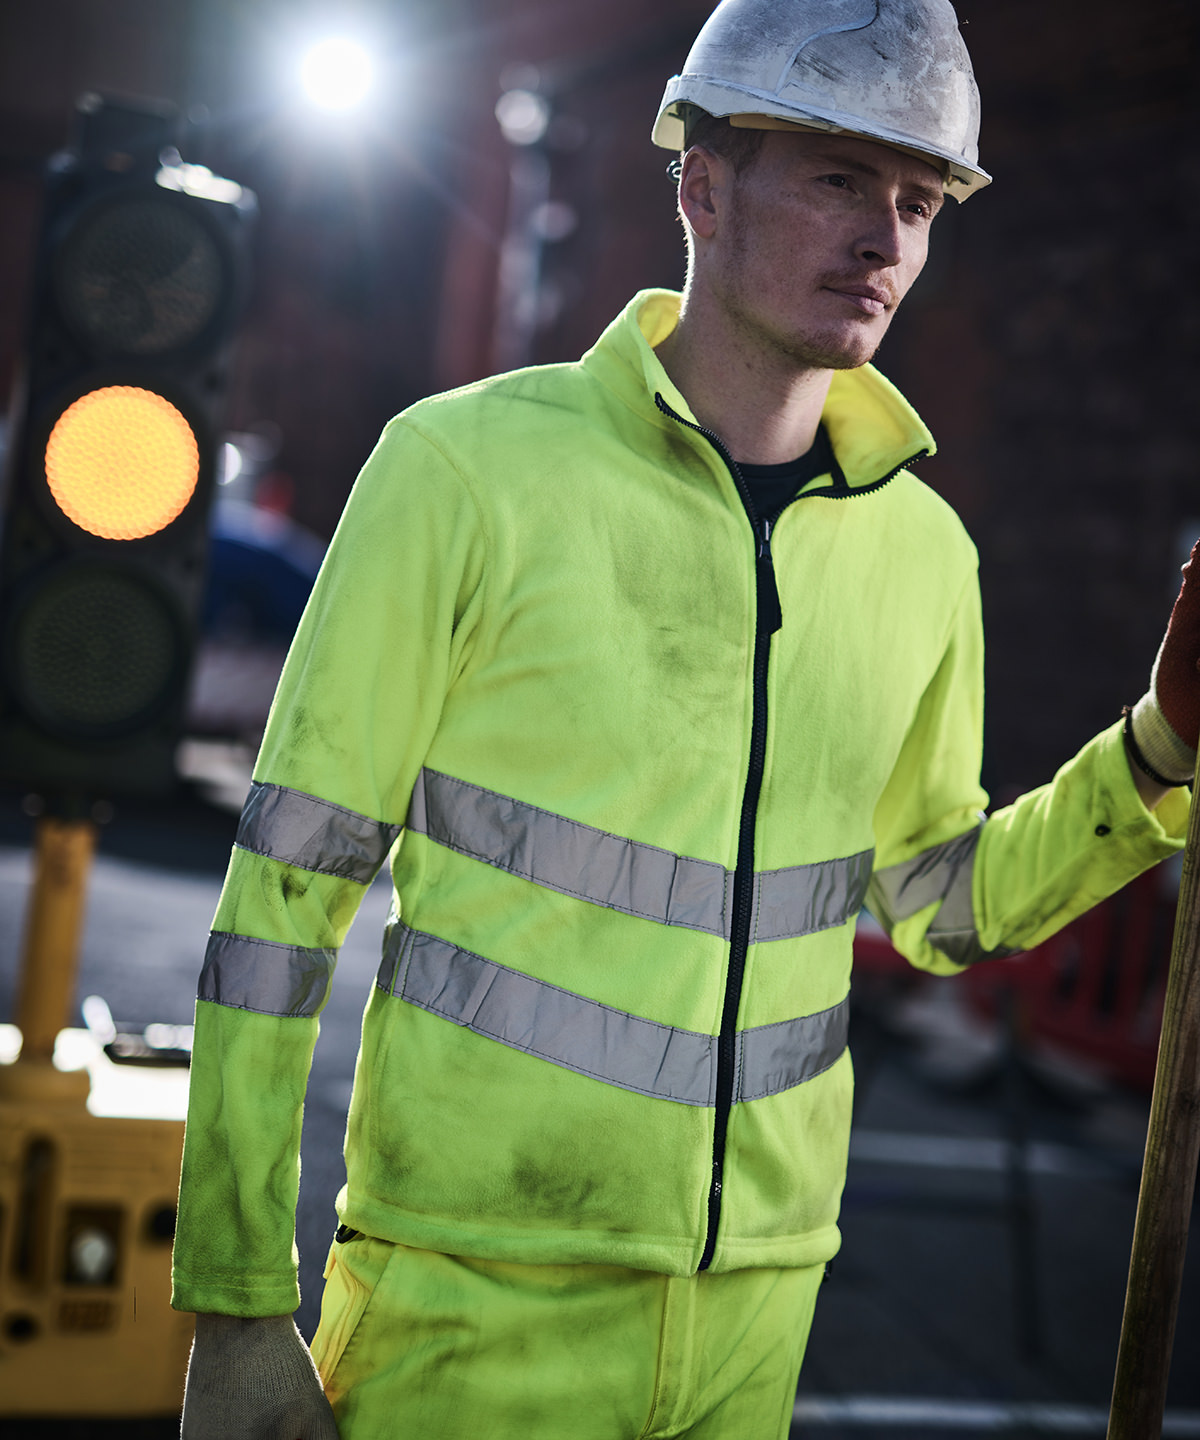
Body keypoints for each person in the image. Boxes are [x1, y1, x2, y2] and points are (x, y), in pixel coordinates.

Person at [173, 1, 1199, 1436]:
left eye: (918, 201)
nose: (885, 240)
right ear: (703, 189)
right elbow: (284, 897)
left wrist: (1163, 746)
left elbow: (938, 906)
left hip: (756, 1318)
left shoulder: (924, 555)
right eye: (839, 178)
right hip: (473, 1297)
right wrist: (232, 1308)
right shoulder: (464, 475)